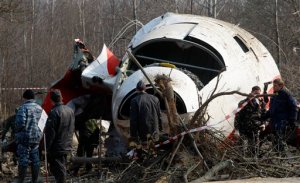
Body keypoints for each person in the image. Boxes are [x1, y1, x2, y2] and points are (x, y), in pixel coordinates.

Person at [45, 89, 75, 183]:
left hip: (57, 147)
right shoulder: (70, 110)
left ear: (51, 100)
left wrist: (46, 148)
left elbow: (51, 133)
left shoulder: (54, 112)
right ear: (61, 98)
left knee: (59, 171)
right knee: (62, 168)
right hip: (67, 144)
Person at [15, 90, 43, 183]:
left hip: (25, 138)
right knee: (35, 160)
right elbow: (43, 124)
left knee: (23, 160)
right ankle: (35, 180)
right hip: (37, 138)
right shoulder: (40, 108)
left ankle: (21, 180)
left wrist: (18, 133)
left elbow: (20, 124)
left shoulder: (23, 108)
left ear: (25, 98)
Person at [265, 78, 298, 154]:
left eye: (275, 85)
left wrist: (292, 121)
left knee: (280, 141)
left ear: (281, 85)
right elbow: (271, 109)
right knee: (275, 141)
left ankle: (284, 158)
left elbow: (294, 106)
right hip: (274, 121)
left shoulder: (286, 94)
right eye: (273, 85)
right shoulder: (274, 94)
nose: (274, 87)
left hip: (282, 122)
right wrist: (264, 116)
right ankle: (277, 157)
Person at [234, 86, 266, 156]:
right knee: (242, 150)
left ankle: (252, 163)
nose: (257, 95)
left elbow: (264, 115)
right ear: (251, 92)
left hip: (255, 130)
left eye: (259, 93)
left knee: (254, 150)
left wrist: (263, 124)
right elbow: (237, 116)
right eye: (255, 93)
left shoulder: (261, 103)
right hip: (244, 130)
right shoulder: (244, 103)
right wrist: (236, 129)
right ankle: (241, 163)